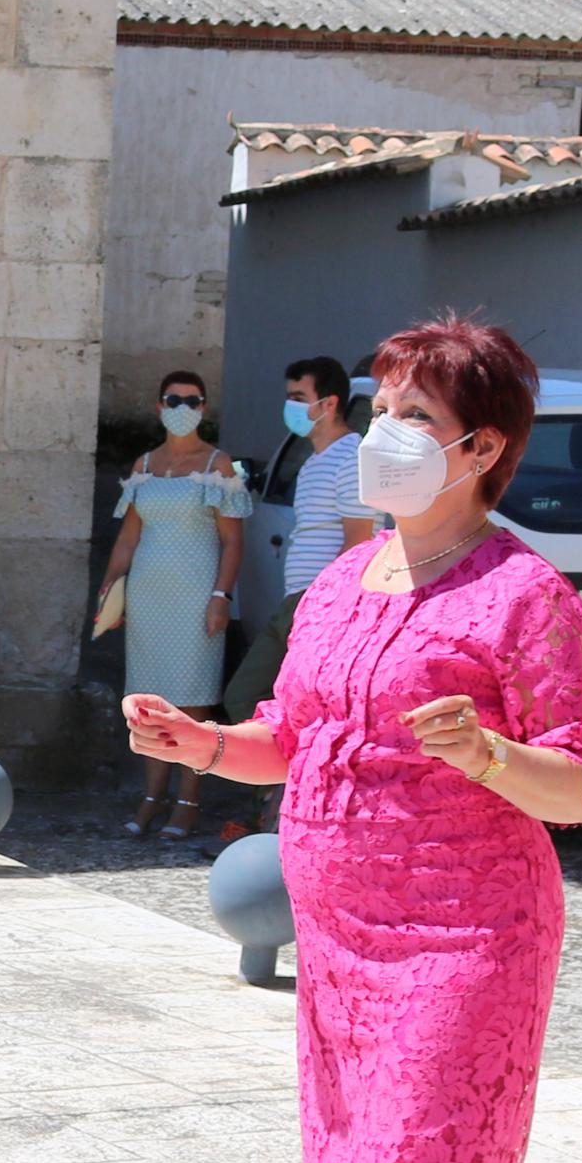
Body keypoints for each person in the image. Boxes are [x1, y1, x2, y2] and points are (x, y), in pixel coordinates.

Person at [132, 318, 582, 1163]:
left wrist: (487, 755)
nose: (381, 430)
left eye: (410, 412)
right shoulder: (342, 583)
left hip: (465, 937)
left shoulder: (527, 597)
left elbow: (577, 786)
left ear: (481, 446)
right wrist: (201, 742)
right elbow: (287, 732)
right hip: (340, 937)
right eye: (377, 402)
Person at [212, 353, 371, 832]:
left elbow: (359, 540)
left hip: (322, 606)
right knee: (249, 700)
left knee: (264, 700)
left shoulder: (350, 456)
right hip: (298, 603)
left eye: (299, 398)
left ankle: (293, 808)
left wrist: (337, 610)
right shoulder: (315, 461)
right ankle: (288, 795)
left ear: (330, 403)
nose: (291, 407)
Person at [104, 366, 252, 842]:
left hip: (196, 598)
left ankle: (188, 801)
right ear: (158, 406)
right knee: (147, 698)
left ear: (204, 409)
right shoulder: (144, 466)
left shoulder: (219, 466)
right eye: (174, 401)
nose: (182, 410)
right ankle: (152, 796)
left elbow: (233, 542)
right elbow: (129, 536)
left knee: (192, 698)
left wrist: (220, 597)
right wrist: (109, 587)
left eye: (192, 401)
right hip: (148, 596)